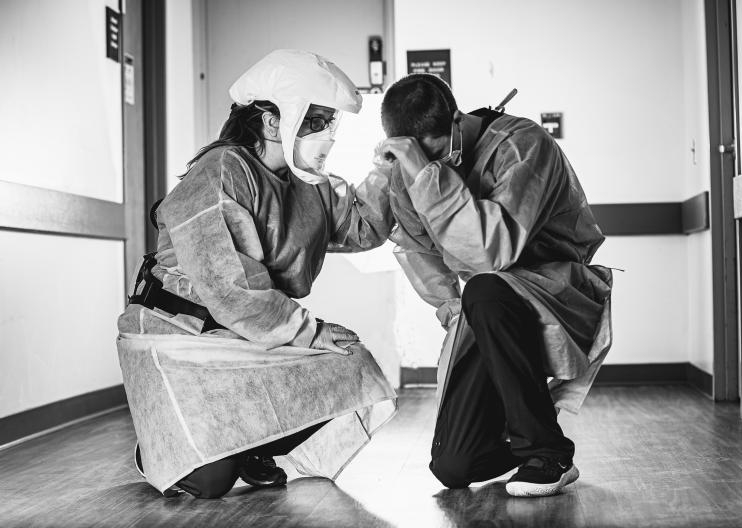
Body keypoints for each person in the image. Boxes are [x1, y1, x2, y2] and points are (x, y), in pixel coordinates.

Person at [116, 49, 396, 499]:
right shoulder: (223, 171)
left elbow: (362, 227)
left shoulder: (309, 182)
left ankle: (252, 445)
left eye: (329, 122)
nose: (326, 134)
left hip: (244, 333)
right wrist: (310, 331)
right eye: (316, 120)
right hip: (179, 334)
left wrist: (388, 168)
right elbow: (231, 289)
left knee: (352, 365)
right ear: (272, 122)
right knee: (211, 483)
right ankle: (156, 448)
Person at [378, 74, 612, 498]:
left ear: (455, 119)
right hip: (488, 307)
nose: (429, 166)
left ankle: (548, 452)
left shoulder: (522, 145)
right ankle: (518, 433)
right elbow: (418, 245)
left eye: (433, 152)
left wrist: (427, 175)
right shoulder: (405, 170)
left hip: (557, 287)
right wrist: (449, 306)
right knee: (453, 466)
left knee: (485, 288)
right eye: (417, 158)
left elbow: (493, 252)